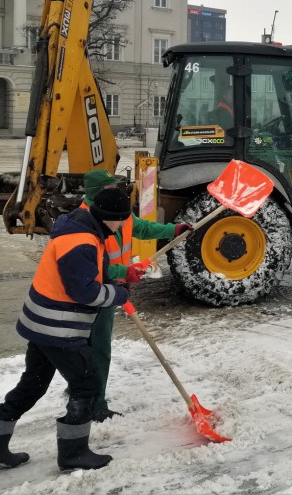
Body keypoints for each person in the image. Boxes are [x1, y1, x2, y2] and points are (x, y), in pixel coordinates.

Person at [0, 187, 134, 472]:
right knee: (86, 385)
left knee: (32, 384)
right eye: (120, 220)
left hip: (42, 323)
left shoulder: (82, 228)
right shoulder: (83, 241)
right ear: (108, 217)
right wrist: (118, 296)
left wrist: (113, 281)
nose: (123, 225)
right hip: (58, 327)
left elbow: (90, 274)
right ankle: (73, 454)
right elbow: (84, 292)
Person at [81, 169, 192, 422]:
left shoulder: (115, 211)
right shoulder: (86, 221)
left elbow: (141, 227)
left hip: (112, 289)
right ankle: (94, 404)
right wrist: (125, 271)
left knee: (88, 347)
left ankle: (81, 390)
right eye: (109, 189)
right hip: (95, 292)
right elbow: (95, 267)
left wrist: (173, 230)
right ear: (96, 194)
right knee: (98, 349)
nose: (116, 194)